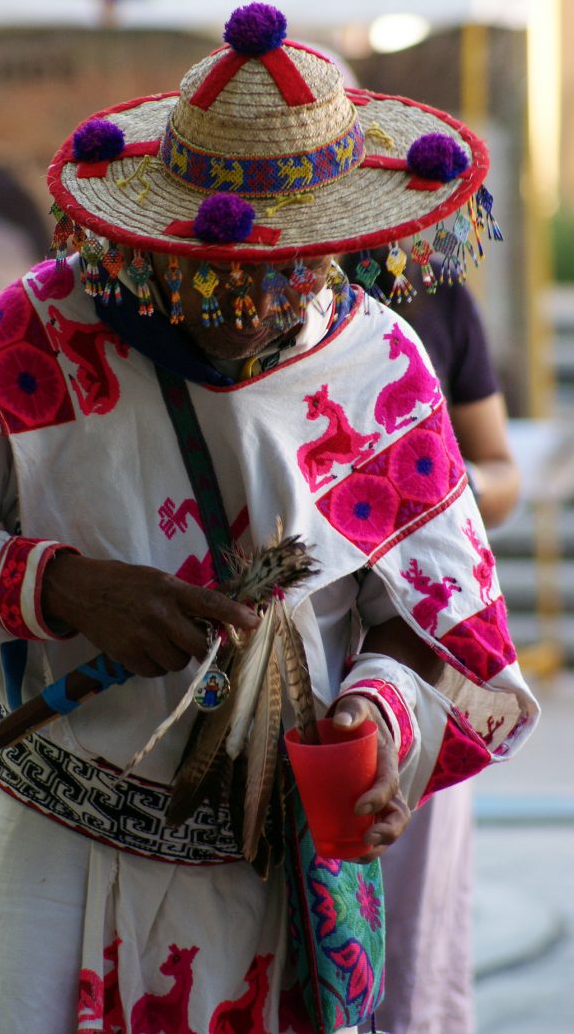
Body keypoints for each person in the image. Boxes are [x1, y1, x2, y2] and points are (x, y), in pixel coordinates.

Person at [0, 2, 539, 1034]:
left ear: (339, 246)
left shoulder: (383, 362)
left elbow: (426, 610)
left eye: (282, 271)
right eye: (213, 269)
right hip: (54, 859)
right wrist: (61, 585)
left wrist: (375, 715)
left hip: (263, 869)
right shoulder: (39, 331)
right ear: (150, 229)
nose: (244, 307)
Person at [346, 253, 521, 1034]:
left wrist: (444, 490)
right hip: (300, 630)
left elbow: (501, 470)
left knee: (412, 907)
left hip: (422, 629)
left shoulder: (435, 295)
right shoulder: (253, 298)